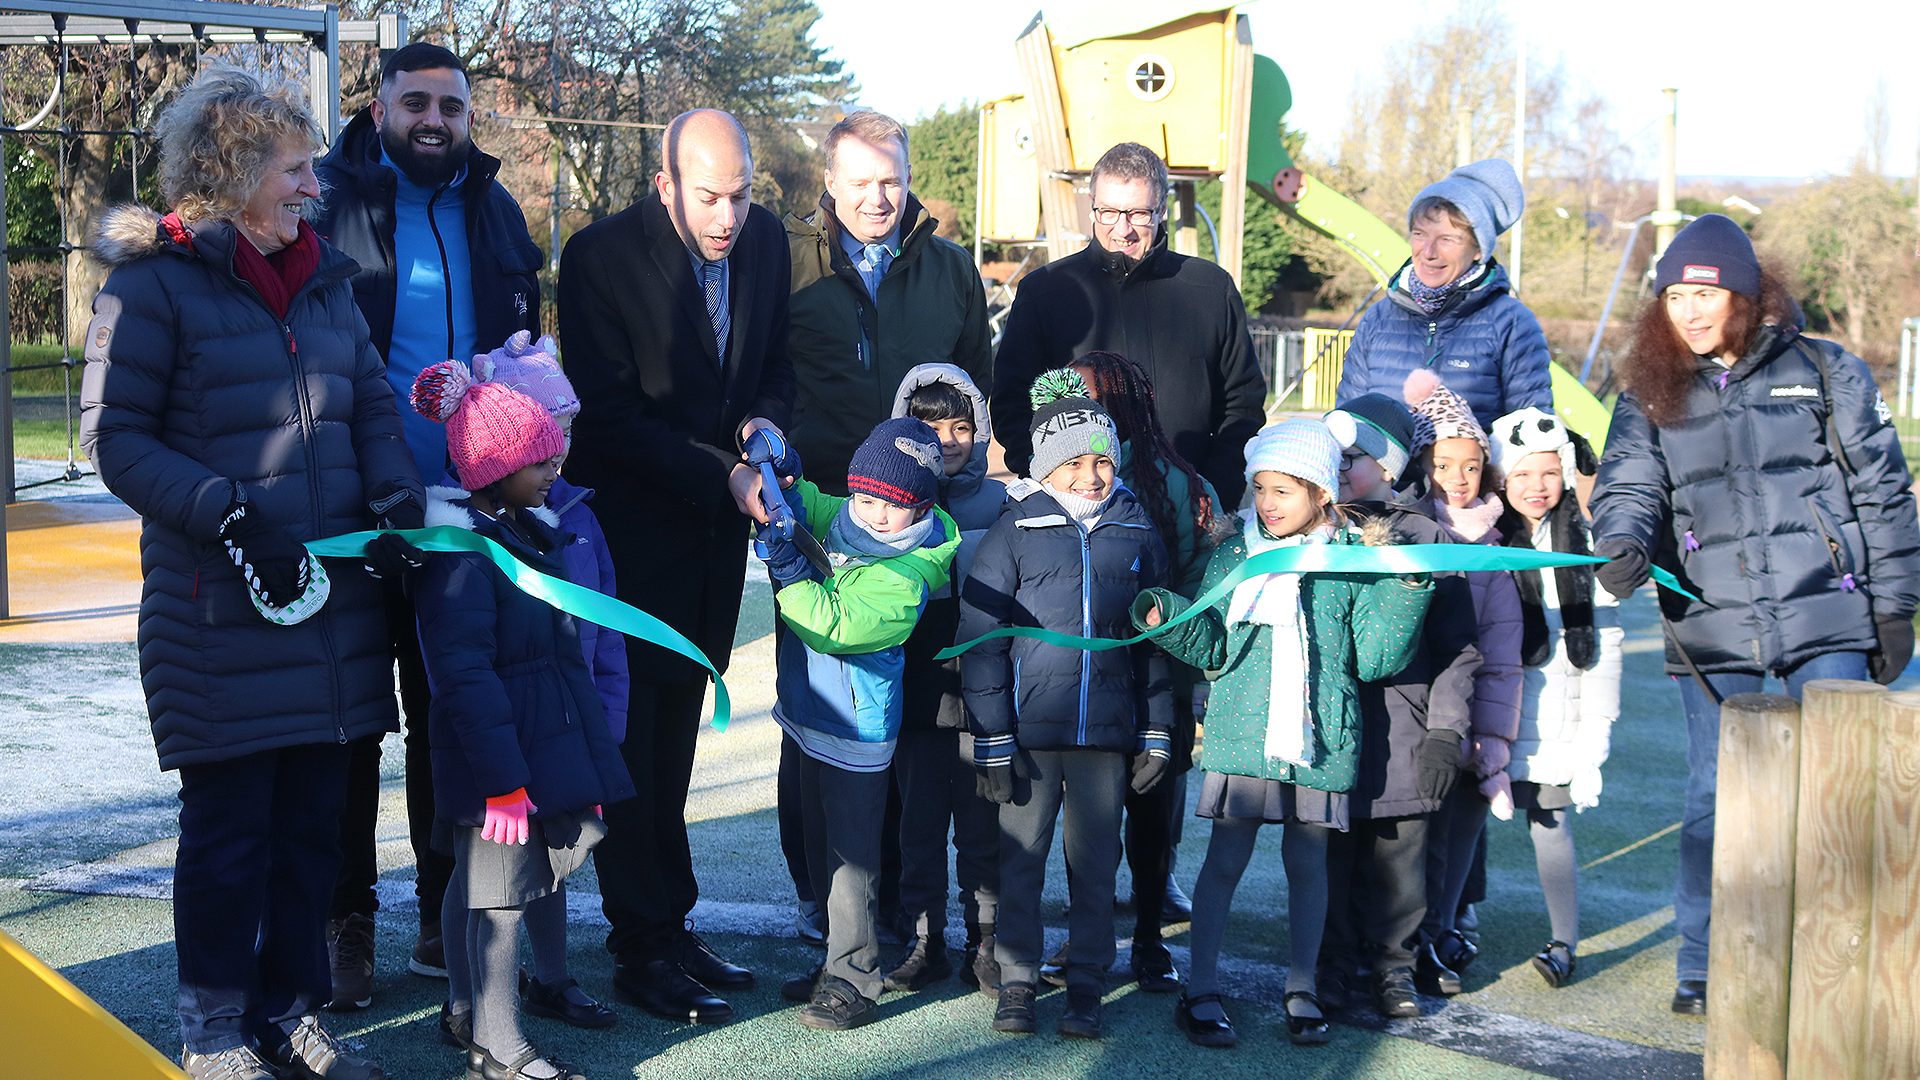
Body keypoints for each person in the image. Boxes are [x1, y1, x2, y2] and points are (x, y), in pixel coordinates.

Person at [81, 66, 419, 1080]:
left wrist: (398, 502)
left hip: (333, 615)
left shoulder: (327, 283)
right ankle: (215, 1029)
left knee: (313, 829)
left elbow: (370, 407)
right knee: (229, 836)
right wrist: (227, 510)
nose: (313, 186)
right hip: (217, 615)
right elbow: (116, 440)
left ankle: (293, 1011)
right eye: (294, 168)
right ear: (229, 174)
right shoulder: (148, 289)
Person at [1588, 214, 1920, 1015]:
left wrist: (1897, 608)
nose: (1691, 312)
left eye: (1705, 293)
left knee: (1839, 796)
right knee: (1715, 797)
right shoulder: (1648, 388)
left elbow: (1883, 490)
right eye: (1675, 296)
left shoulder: (1825, 368)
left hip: (1827, 615)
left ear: (1745, 292)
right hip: (1712, 623)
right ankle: (1704, 962)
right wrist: (1622, 542)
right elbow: (1629, 485)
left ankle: (1836, 952)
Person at [312, 39, 544, 1002]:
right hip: (356, 512)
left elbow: (525, 353)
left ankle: (441, 918)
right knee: (351, 726)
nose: (434, 121)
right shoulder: (324, 204)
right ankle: (346, 920)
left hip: (465, 518)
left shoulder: (496, 212)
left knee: (449, 716)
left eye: (450, 105)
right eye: (416, 103)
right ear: (380, 111)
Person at [557, 107, 795, 1025]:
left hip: (714, 543)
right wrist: (723, 473)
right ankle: (640, 946)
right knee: (633, 745)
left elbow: (773, 363)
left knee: (676, 742)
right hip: (629, 539)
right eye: (709, 197)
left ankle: (673, 921)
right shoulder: (599, 257)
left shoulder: (766, 242)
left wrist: (761, 425)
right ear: (664, 184)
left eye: (740, 194)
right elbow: (609, 421)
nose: (728, 215)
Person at [1135, 419, 1435, 1049]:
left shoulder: (1354, 558)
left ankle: (1302, 988)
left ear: (1322, 493)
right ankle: (1202, 990)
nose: (1267, 503)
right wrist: (1168, 618)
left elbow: (1373, 658)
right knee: (1224, 863)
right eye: (1261, 488)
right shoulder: (1235, 553)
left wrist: (1406, 591)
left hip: (1320, 738)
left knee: (1308, 864)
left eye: (1283, 491)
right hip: (1241, 735)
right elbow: (1213, 649)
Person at [777, 108, 993, 956]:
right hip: (832, 523)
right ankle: (818, 898)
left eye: (891, 181)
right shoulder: (788, 266)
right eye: (861, 181)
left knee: (906, 729)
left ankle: (906, 906)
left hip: (917, 530)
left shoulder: (950, 270)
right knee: (819, 725)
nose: (878, 197)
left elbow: (978, 383)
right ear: (829, 182)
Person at [409, 363, 633, 1080]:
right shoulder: (464, 563)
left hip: (528, 755)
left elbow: (555, 662)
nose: (553, 468)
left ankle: (481, 1023)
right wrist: (504, 783)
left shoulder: (523, 538)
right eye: (538, 459)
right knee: (500, 904)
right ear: (495, 470)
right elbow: (465, 681)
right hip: (497, 771)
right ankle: (497, 1048)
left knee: (497, 889)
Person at [959, 369, 1172, 1039]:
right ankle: (1017, 980)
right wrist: (991, 737)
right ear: (1049, 467)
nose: (1092, 474)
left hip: (1106, 738)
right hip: (1029, 735)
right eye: (1076, 462)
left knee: (1095, 866)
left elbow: (1155, 642)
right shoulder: (1014, 531)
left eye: (1103, 459)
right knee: (1021, 861)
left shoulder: (1137, 531)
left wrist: (1159, 728)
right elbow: (981, 642)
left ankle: (1085, 983)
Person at [764, 419, 963, 1029]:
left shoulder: (909, 575)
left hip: (856, 733)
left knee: (854, 863)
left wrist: (788, 568)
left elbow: (833, 624)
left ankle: (854, 977)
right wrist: (782, 474)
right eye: (868, 498)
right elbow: (810, 505)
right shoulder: (845, 516)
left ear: (924, 507)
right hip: (807, 714)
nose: (876, 515)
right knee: (819, 847)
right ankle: (834, 961)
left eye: (894, 507)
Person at [1046, 350, 1222, 992]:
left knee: (1104, 822)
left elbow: (1204, 575)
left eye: (1087, 398)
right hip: (1142, 677)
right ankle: (1139, 941)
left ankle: (1133, 937)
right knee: (1134, 816)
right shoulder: (1184, 482)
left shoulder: (1184, 488)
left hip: (1125, 677)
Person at [1315, 394, 1481, 1021]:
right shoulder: (1316, 533)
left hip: (1405, 733)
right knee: (1330, 856)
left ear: (1388, 467)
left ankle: (1394, 968)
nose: (1338, 468)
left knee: (1401, 860)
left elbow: (1457, 649)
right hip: (1330, 732)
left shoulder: (1427, 537)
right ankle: (1330, 964)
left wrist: (1445, 731)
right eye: (1333, 454)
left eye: (1352, 457)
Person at [992, 142, 1267, 506]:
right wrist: (1049, 486)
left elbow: (1242, 405)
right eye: (1107, 211)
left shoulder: (1211, 290)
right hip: (1077, 516)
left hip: (1191, 509)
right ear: (1092, 205)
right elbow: (1014, 403)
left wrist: (1212, 491)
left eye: (1138, 213)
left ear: (1163, 208)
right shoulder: (1044, 292)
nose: (1122, 229)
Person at [884, 365, 1007, 995]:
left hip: (986, 696)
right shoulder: (889, 502)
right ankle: (924, 939)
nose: (951, 439)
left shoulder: (1006, 504)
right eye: (934, 426)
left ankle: (985, 941)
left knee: (983, 825)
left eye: (963, 426)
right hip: (919, 693)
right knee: (919, 824)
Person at [1401, 372, 1523, 998]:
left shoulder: (1498, 551)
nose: (1457, 477)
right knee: (1413, 840)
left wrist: (1495, 737)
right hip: (1416, 717)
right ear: (1424, 464)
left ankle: (1440, 934)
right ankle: (1405, 941)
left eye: (1471, 466)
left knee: (1457, 839)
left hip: (1474, 720)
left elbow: (1502, 657)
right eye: (1444, 463)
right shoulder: (1407, 532)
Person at [1490, 407, 1621, 988]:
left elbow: (1606, 646)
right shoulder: (1485, 538)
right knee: (1467, 825)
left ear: (1566, 474)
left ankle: (1564, 939)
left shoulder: (1584, 543)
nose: (1535, 487)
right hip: (1497, 713)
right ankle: (1455, 924)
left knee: (1550, 820)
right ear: (1501, 478)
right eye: (1520, 475)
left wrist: (1595, 737)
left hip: (1560, 717)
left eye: (1547, 474)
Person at [1334, 159, 1551, 431]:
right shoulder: (1377, 319)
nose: (1428, 251)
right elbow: (1345, 424)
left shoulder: (1512, 322)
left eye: (1448, 239)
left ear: (1478, 250)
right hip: (1384, 476)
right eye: (1420, 234)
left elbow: (1531, 438)